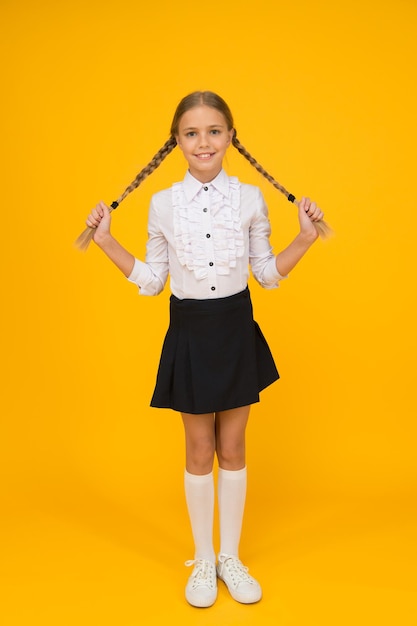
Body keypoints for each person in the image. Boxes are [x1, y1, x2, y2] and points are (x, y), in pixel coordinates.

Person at [85, 91, 324, 608]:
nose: (203, 142)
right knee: (198, 451)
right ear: (177, 142)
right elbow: (152, 282)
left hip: (236, 328)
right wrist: (106, 242)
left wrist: (304, 239)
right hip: (190, 331)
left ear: (231, 136)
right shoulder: (162, 204)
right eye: (191, 133)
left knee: (233, 448)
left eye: (214, 131)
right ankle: (203, 558)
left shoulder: (251, 199)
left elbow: (265, 274)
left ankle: (230, 559)